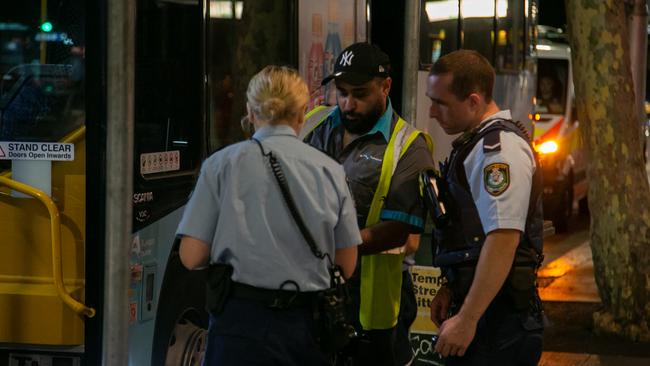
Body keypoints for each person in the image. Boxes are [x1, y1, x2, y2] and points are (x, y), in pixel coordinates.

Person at [176, 65, 361, 365]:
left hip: (238, 324)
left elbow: (192, 256)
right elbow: (346, 264)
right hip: (307, 327)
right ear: (302, 113)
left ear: (250, 112)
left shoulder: (220, 165)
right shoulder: (331, 171)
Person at [303, 42, 435, 366]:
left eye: (360, 93)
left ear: (386, 86)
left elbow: (398, 230)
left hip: (372, 315)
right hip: (309, 296)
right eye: (342, 92)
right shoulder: (313, 123)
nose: (348, 104)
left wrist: (333, 245)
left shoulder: (409, 146)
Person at [425, 50, 544, 365]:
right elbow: (472, 235)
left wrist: (467, 319)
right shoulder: (477, 145)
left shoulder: (498, 152)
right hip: (488, 316)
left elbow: (503, 239)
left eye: (440, 102)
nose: (432, 112)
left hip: (498, 323)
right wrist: (452, 288)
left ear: (474, 101)